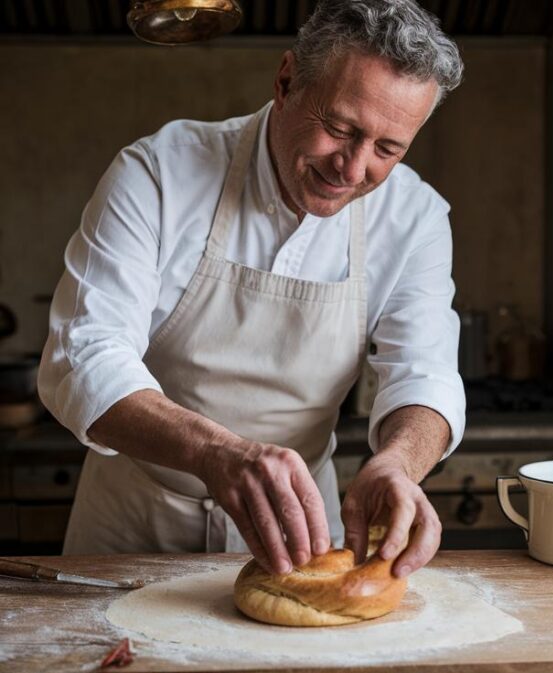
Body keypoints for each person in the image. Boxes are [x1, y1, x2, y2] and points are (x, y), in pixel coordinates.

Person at [37, 0, 465, 580]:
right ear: (286, 81)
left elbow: (424, 372)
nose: (352, 167)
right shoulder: (160, 173)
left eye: (388, 149)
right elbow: (82, 357)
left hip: (306, 534)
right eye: (340, 128)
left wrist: (399, 462)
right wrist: (216, 454)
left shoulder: (414, 218)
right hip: (132, 529)